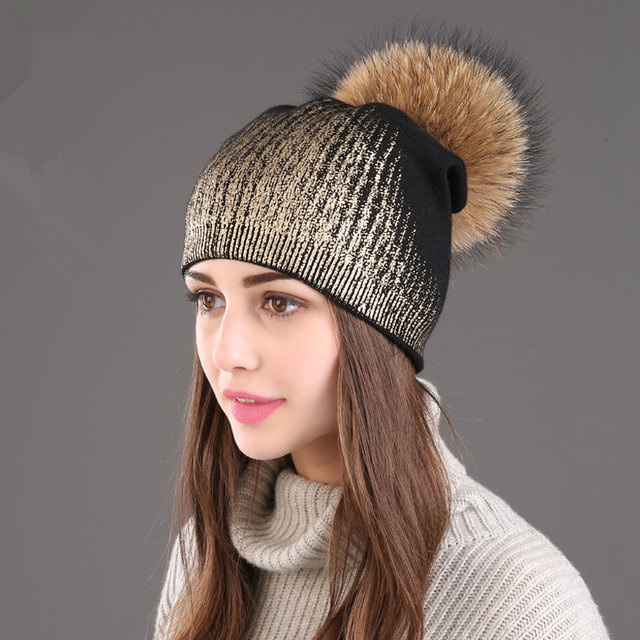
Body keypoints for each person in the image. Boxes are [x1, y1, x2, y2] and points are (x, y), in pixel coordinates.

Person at [152, 19, 611, 640]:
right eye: (208, 299)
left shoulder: (515, 600)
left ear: (381, 328)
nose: (228, 352)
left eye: (280, 302)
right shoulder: (207, 557)